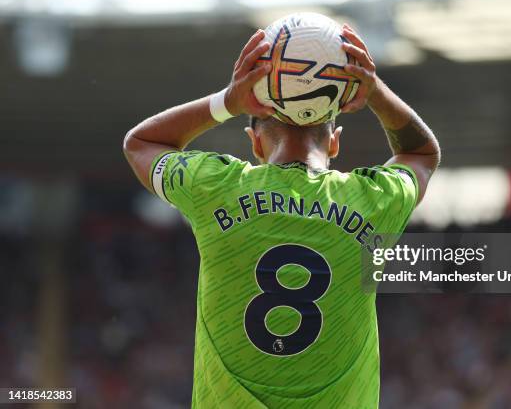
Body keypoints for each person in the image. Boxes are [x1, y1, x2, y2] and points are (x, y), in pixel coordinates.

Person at [123, 23, 440, 409]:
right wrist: (374, 92)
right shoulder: (373, 201)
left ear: (255, 141)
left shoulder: (216, 189)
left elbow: (141, 143)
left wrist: (227, 101)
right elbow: (422, 154)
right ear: (335, 141)